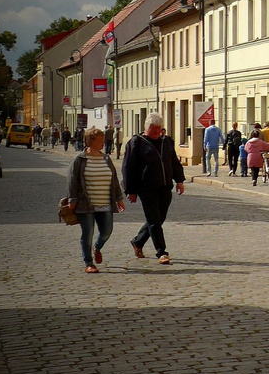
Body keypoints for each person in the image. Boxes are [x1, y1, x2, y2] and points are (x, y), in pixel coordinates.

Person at [121, 113, 185, 265]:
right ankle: (161, 252)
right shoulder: (136, 142)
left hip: (165, 186)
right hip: (146, 188)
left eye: (159, 129)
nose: (157, 132)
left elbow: (174, 162)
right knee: (154, 221)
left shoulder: (166, 141)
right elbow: (128, 167)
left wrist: (179, 180)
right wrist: (131, 190)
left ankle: (138, 241)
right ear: (146, 128)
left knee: (158, 219)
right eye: (153, 129)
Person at [67, 127, 125, 274]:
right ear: (90, 141)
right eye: (100, 140)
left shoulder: (106, 158)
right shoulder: (79, 160)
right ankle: (89, 262)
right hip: (86, 204)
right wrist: (72, 200)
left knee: (106, 231)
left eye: (103, 140)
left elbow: (114, 180)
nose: (103, 143)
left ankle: (97, 247)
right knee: (88, 232)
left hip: (105, 202)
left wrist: (119, 198)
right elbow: (72, 181)